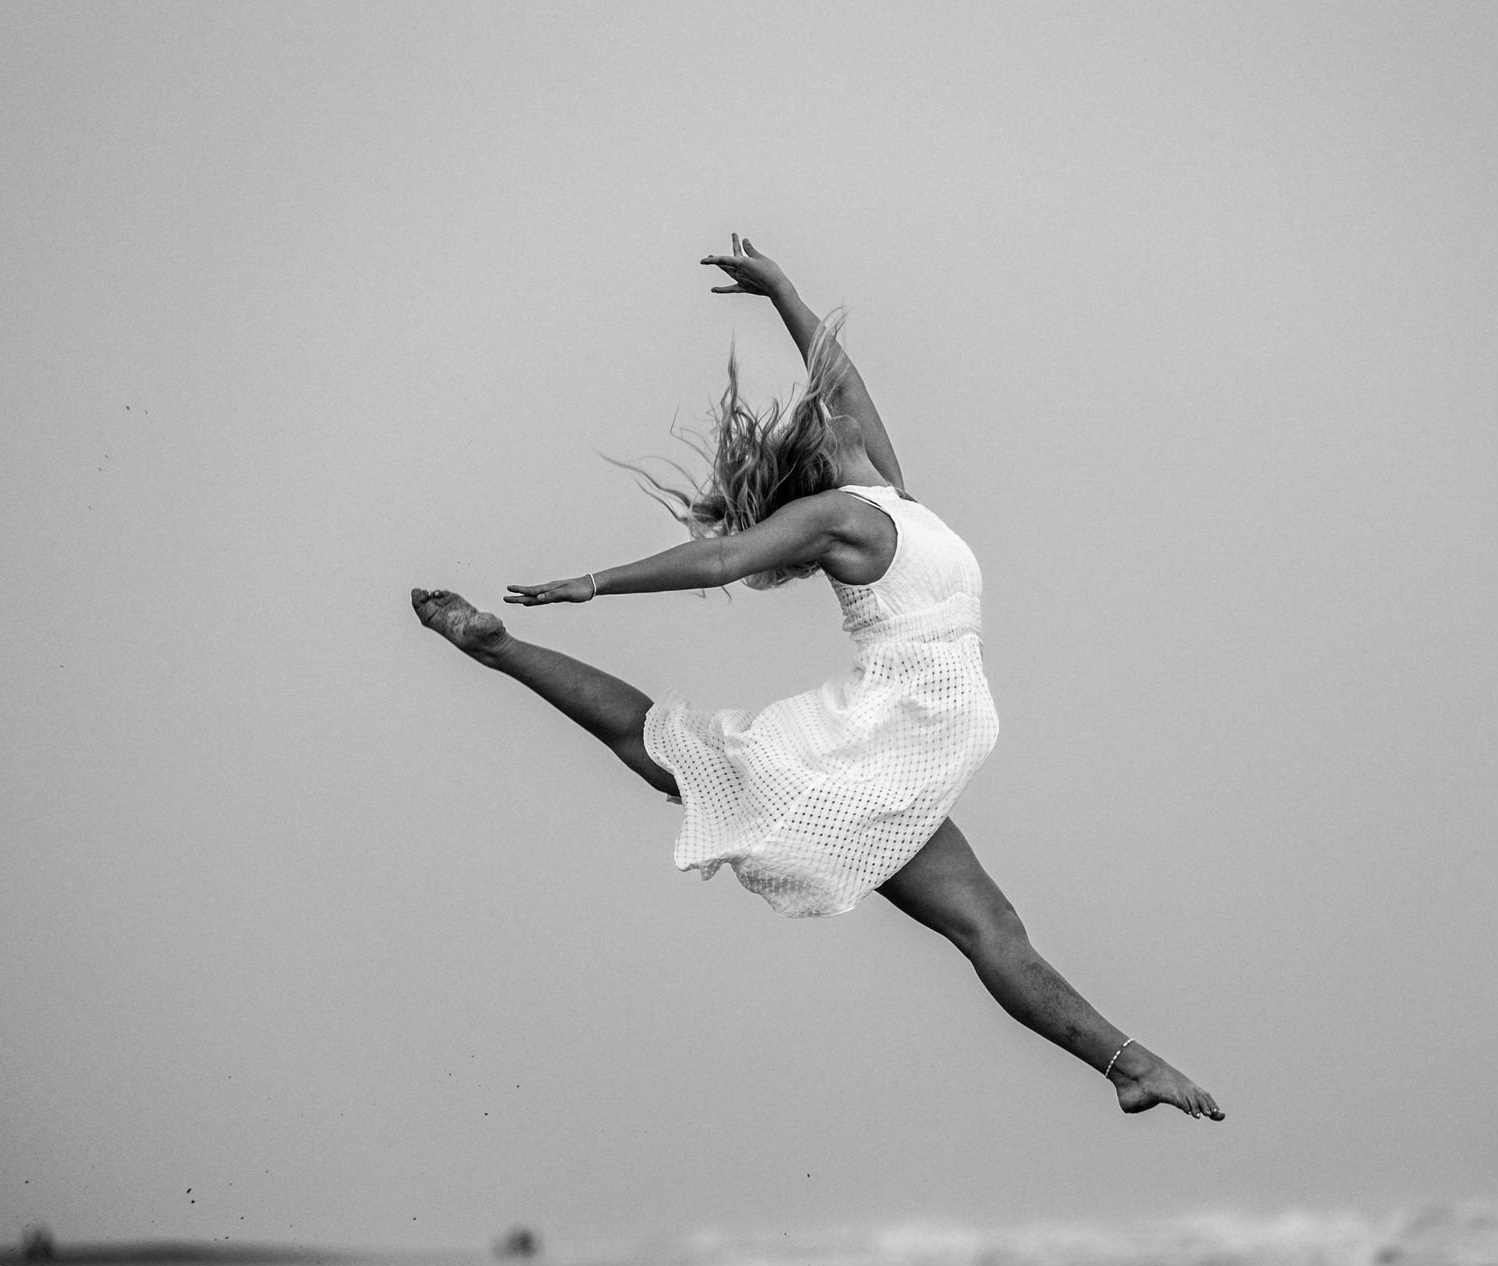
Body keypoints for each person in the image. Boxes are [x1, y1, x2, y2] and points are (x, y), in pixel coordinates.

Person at [414, 236, 1223, 1121]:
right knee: (685, 762)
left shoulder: (891, 496)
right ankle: (498, 649)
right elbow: (721, 558)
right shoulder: (841, 517)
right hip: (891, 739)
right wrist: (595, 583)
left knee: (679, 760)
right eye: (830, 420)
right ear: (816, 456)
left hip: (915, 747)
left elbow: (841, 381)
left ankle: (1126, 1066)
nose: (842, 414)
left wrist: (784, 295)